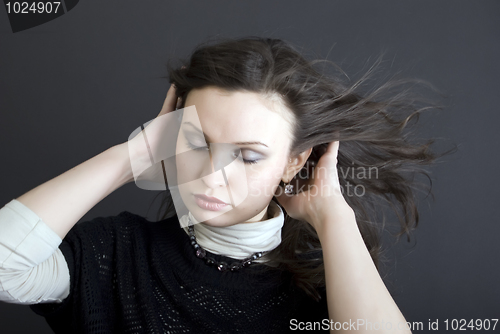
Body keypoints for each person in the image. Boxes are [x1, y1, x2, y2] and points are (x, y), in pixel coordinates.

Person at [0, 36, 441, 333]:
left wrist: (333, 217)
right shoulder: (114, 251)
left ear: (294, 161)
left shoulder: (330, 283)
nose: (212, 174)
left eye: (248, 156)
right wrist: (132, 157)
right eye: (195, 141)